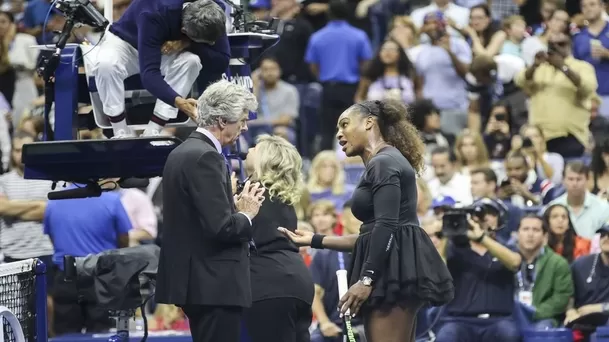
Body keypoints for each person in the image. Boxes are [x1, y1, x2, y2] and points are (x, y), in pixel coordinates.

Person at [280, 99, 454, 342]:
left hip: (392, 274)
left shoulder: (383, 163)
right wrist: (315, 239)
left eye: (345, 125)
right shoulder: (384, 162)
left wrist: (366, 280)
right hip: (395, 268)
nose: (339, 134)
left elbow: (386, 227)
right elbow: (372, 236)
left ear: (369, 123)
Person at [155, 79, 265, 342]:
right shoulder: (206, 156)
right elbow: (221, 227)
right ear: (220, 120)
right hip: (214, 284)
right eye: (241, 120)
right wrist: (246, 214)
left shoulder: (184, 151)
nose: (245, 127)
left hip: (200, 282)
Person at [95, 0, 230, 138]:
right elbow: (149, 75)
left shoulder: (213, 9)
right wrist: (180, 102)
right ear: (183, 30)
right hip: (125, 42)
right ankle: (119, 131)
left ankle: (154, 130)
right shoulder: (153, 13)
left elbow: (222, 60)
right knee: (106, 64)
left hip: (162, 47)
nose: (213, 44)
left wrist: (186, 42)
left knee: (191, 61)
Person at [241, 134, 314, 342]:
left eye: (256, 147)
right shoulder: (282, 197)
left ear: (266, 159)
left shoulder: (252, 196)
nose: (250, 149)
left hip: (268, 284)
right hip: (298, 280)